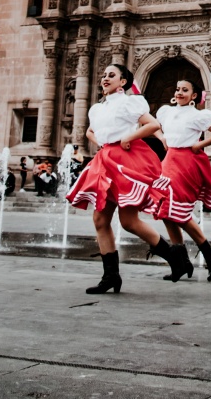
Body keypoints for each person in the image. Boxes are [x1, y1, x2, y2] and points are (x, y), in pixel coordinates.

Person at [66, 63, 179, 294]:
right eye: (104, 75)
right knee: (100, 220)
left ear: (123, 82)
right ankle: (111, 276)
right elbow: (90, 131)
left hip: (125, 160)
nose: (105, 78)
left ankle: (173, 256)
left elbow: (153, 124)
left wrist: (128, 137)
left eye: (111, 75)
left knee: (128, 222)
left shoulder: (129, 102)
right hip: (105, 160)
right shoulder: (97, 109)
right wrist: (101, 143)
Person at [154, 77, 211, 281]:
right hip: (169, 160)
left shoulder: (198, 115)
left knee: (177, 210)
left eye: (184, 90)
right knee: (166, 211)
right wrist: (161, 138)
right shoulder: (167, 112)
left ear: (194, 96)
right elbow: (151, 124)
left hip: (186, 162)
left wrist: (199, 145)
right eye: (177, 89)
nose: (179, 93)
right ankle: (181, 262)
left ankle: (209, 253)